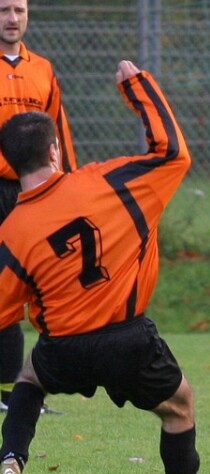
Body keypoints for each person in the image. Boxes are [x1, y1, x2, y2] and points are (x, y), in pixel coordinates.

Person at [0, 60, 199, 474]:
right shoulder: (108, 182)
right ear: (54, 150)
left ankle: (11, 459)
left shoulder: (13, 231)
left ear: (9, 161)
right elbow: (173, 153)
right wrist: (138, 87)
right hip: (128, 339)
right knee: (179, 409)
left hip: (63, 348)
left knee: (29, 379)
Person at [0, 0, 77, 415]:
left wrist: (68, 185)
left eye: (19, 10)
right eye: (3, 10)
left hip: (33, 193)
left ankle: (21, 390)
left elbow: (57, 133)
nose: (12, 19)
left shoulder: (43, 69)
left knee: (42, 289)